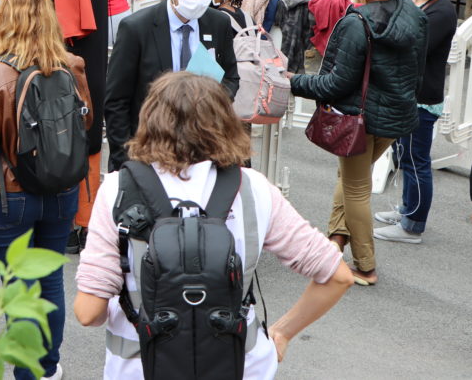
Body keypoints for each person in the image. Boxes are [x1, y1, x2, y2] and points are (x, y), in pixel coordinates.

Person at [74, 71, 353, 380]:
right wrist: (282, 333)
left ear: (150, 120)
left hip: (138, 365)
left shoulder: (118, 188)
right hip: (238, 363)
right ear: (224, 121)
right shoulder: (252, 189)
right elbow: (337, 276)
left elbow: (89, 312)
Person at [0, 0, 93, 380]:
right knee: (50, 283)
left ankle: (27, 373)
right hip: (62, 189)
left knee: (17, 289)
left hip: (10, 199)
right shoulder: (71, 65)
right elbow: (87, 125)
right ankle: (47, 369)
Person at [290, 0, 426, 285]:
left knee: (355, 189)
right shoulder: (413, 15)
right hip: (395, 118)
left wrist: (293, 81)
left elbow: (334, 84)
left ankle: (365, 266)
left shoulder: (357, 23)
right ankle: (336, 237)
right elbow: (417, 74)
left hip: (358, 119)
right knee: (354, 177)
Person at [105, 0, 239, 172]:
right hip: (147, 155)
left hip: (202, 153)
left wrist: (209, 104)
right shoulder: (136, 28)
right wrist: (126, 161)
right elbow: (116, 101)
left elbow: (231, 77)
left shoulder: (219, 24)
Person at [374, 0, 456, 245]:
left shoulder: (443, 10)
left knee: (415, 159)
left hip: (422, 96)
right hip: (401, 92)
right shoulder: (406, 0)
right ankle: (408, 209)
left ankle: (413, 225)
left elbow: (410, 45)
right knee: (403, 154)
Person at [54, 0, 109, 253]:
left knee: (64, 149)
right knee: (90, 151)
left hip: (69, 77)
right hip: (96, 77)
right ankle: (88, 225)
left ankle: (67, 224)